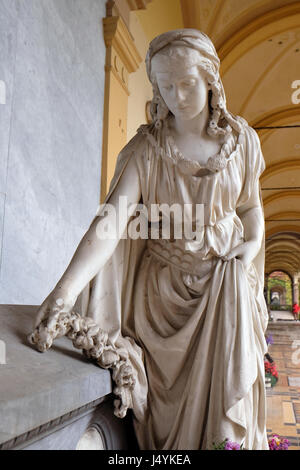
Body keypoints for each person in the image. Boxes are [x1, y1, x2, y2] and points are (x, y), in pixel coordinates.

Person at [31, 30, 269, 450]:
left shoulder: (242, 143)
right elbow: (110, 224)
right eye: (165, 84)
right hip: (161, 302)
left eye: (187, 83)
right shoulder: (147, 149)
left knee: (221, 419)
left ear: (211, 81)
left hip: (223, 293)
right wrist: (64, 290)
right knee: (160, 433)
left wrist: (251, 243)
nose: (177, 96)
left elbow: (250, 207)